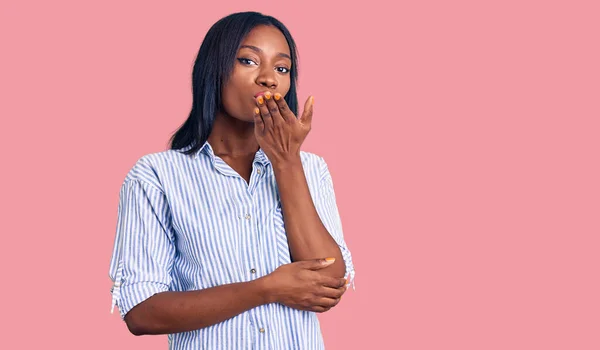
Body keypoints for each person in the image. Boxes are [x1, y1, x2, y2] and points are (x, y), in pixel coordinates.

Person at [108, 11, 356, 349]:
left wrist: (286, 163)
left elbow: (328, 283)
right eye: (248, 61)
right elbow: (141, 312)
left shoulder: (310, 169)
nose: (269, 79)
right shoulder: (157, 176)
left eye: (282, 68)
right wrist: (266, 289)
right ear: (215, 70)